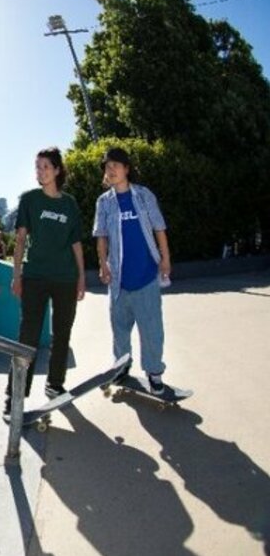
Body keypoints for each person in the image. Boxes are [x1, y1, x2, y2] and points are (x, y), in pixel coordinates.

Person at [4, 147, 86, 420]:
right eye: (37, 167)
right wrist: (16, 275)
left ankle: (55, 384)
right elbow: (20, 240)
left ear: (58, 170)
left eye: (45, 167)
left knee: (62, 334)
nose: (40, 172)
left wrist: (82, 276)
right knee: (28, 336)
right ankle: (14, 395)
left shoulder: (70, 204)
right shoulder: (30, 200)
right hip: (36, 277)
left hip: (65, 277)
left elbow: (76, 243)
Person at [93, 147, 171, 394]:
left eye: (116, 164)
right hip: (118, 280)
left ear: (127, 168)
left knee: (151, 329)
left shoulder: (144, 195)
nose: (111, 169)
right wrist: (103, 263)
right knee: (120, 329)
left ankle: (154, 373)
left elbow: (159, 228)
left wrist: (165, 258)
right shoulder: (104, 202)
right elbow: (101, 236)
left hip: (146, 275)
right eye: (108, 166)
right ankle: (122, 367)